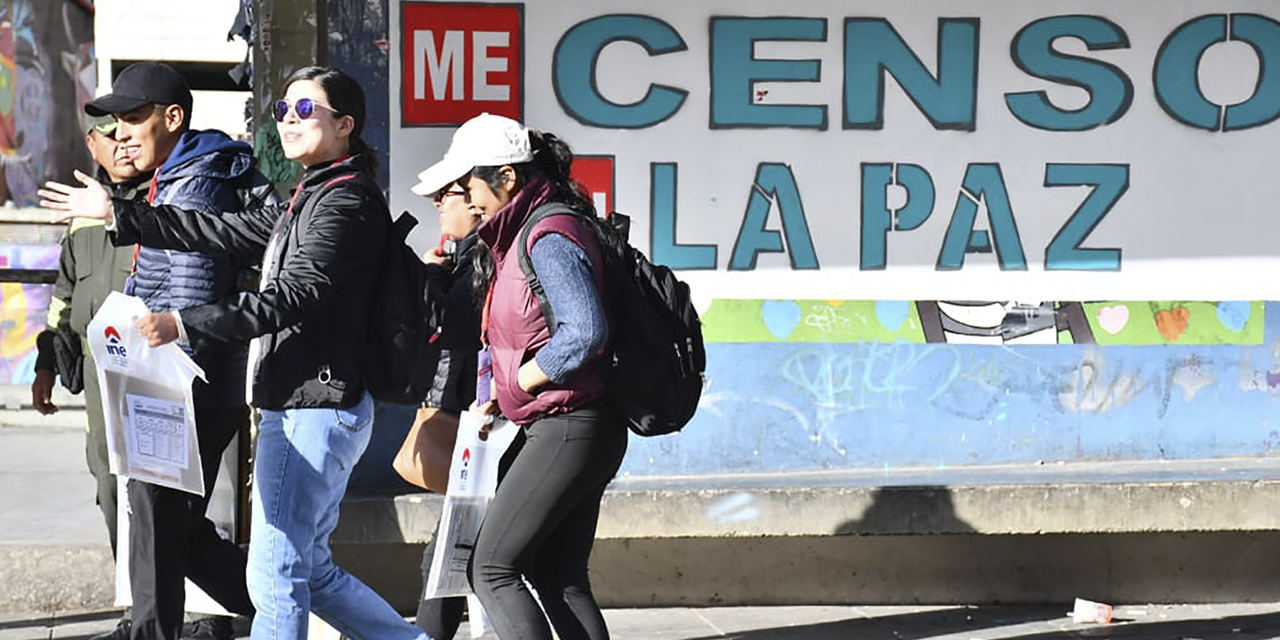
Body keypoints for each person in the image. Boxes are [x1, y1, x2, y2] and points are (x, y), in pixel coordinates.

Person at [42, 65, 435, 640]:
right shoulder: (312, 196)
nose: (289, 122)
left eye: (306, 111)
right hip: (301, 401)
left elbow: (292, 298)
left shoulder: (344, 204)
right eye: (283, 111)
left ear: (345, 125)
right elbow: (221, 233)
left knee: (276, 570)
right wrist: (117, 213)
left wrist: (184, 321)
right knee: (310, 572)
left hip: (316, 403)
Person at [41, 61, 276, 640]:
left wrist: (144, 344)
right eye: (114, 121)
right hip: (180, 372)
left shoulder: (195, 178)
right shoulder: (181, 170)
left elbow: (190, 288)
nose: (120, 132)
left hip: (182, 376)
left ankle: (156, 630)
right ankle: (281, 603)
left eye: (133, 117)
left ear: (172, 118)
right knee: (175, 526)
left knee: (154, 511)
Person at [413, 113, 628, 640]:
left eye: (469, 186)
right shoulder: (517, 238)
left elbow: (584, 330)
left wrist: (524, 380)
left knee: (491, 568)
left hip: (568, 424)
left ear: (507, 177)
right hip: (570, 424)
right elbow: (508, 334)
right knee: (558, 577)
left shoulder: (548, 233)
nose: (466, 198)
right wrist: (493, 396)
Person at [31, 111, 150, 640]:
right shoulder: (81, 218)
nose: (122, 144)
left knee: (157, 496)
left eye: (131, 132)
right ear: (91, 144)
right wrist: (45, 363)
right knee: (110, 488)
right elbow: (63, 297)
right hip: (97, 373)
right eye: (110, 136)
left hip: (149, 371)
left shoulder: (158, 202)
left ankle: (188, 614)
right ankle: (135, 610)